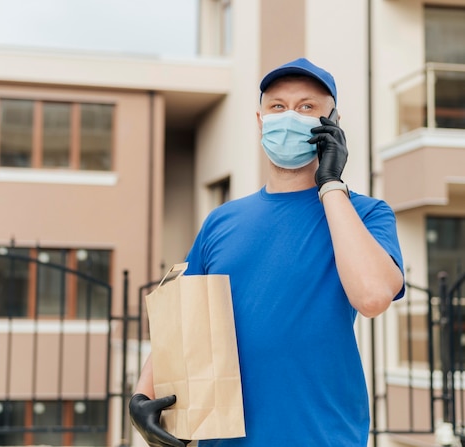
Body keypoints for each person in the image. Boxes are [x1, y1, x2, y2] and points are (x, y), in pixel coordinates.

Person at [128, 58, 405, 446]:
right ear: (260, 120)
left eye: (307, 107)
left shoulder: (365, 214)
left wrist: (331, 185)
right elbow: (180, 318)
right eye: (277, 106)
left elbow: (374, 296)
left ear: (332, 124)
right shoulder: (222, 220)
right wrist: (142, 394)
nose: (290, 116)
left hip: (322, 437)